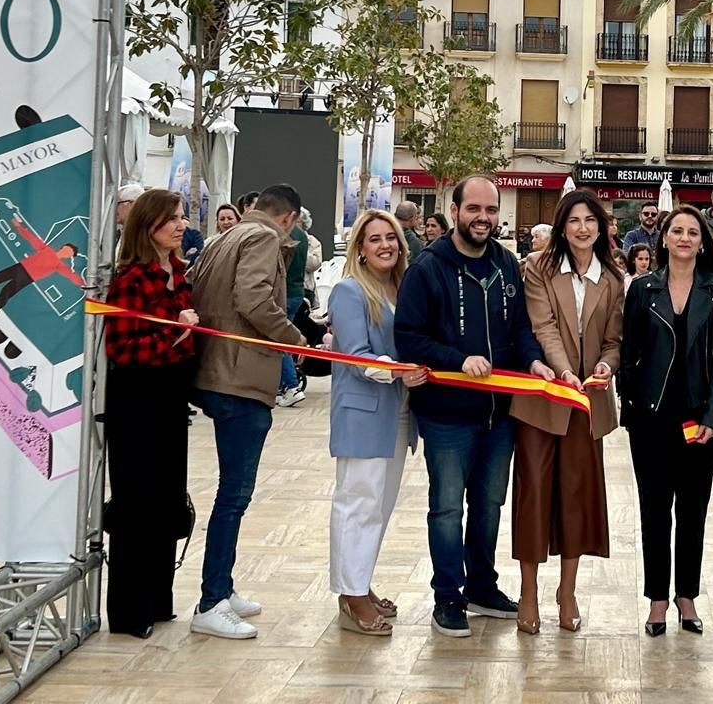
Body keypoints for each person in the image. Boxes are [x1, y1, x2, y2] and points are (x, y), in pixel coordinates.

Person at [394, 175, 555, 640]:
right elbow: (409, 337)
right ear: (455, 209)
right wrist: (457, 360)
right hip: (446, 414)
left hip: (499, 413)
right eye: (474, 209)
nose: (483, 218)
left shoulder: (507, 263)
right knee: (446, 508)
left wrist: (533, 361)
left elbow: (520, 327)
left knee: (488, 504)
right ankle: (448, 595)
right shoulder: (427, 267)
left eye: (491, 210)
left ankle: (482, 587)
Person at [186, 184, 308, 639]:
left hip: (215, 372)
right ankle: (211, 599)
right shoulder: (264, 238)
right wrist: (295, 340)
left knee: (231, 492)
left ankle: (223, 586)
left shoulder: (224, 237)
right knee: (234, 495)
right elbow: (254, 300)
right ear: (289, 218)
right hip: (240, 377)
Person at [512, 191, 624, 635]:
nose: (582, 228)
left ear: (601, 227)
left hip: (586, 404)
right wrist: (562, 371)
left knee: (576, 496)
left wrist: (604, 367)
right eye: (574, 220)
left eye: (590, 220)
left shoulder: (613, 280)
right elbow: (543, 327)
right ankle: (527, 591)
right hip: (543, 399)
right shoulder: (537, 269)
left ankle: (567, 591)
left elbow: (615, 341)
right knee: (533, 493)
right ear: (561, 225)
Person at [621, 204, 713, 639]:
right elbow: (628, 352)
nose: (685, 238)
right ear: (663, 239)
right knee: (654, 510)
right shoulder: (643, 290)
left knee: (693, 511)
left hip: (699, 419)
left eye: (693, 232)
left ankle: (687, 595)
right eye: (677, 231)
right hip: (651, 420)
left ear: (702, 241)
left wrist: (712, 415)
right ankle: (657, 600)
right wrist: (630, 405)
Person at [102, 188, 198, 639]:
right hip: (136, 399)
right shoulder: (131, 278)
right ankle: (127, 611)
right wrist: (176, 338)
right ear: (148, 225)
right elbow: (122, 347)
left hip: (170, 397)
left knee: (165, 499)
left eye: (181, 217)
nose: (181, 225)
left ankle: (158, 600)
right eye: (172, 219)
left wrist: (183, 340)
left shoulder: (177, 272)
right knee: (135, 504)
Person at [329, 209, 428, 636]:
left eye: (391, 237)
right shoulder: (350, 292)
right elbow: (354, 355)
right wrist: (397, 370)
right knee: (357, 505)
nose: (386, 244)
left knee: (380, 507)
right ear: (361, 249)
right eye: (375, 239)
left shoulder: (402, 289)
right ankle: (350, 596)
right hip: (364, 414)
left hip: (399, 414)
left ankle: (360, 583)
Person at [0, 216, 84, 320]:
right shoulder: (47, 249)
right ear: (62, 247)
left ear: (68, 257)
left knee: (5, 292)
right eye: (66, 249)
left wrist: (82, 284)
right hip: (19, 268)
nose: (65, 252)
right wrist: (19, 227)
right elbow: (32, 239)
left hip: (26, 278)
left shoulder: (59, 265)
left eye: (68, 253)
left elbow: (71, 275)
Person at [276, 202, 314, 408]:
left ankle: (291, 385)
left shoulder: (284, 235)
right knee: (283, 337)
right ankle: (285, 384)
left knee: (279, 339)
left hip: (285, 293)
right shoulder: (303, 236)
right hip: (297, 292)